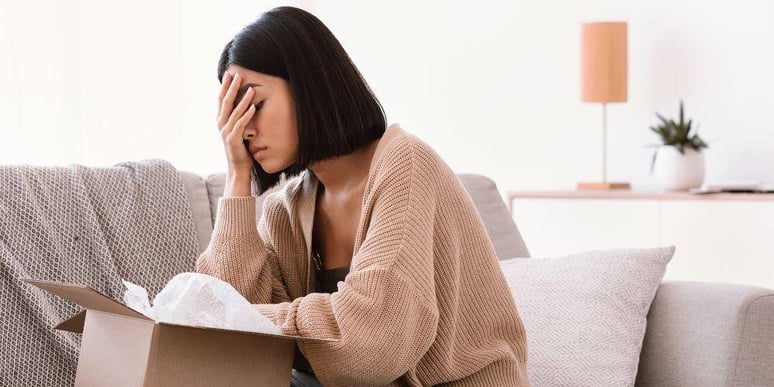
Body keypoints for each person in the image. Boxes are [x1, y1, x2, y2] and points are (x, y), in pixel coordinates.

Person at [196, 6, 530, 387]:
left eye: (253, 105)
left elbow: (370, 346)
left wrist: (248, 322)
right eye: (232, 114)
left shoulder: (405, 165)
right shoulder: (285, 210)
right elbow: (221, 340)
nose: (244, 130)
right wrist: (238, 177)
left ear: (309, 85)